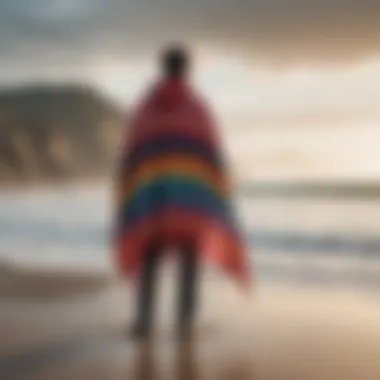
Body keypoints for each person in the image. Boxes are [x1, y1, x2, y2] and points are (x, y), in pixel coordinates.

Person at [114, 44, 250, 340]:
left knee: (149, 260)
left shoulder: (144, 109)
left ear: (163, 67)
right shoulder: (198, 109)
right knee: (190, 261)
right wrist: (219, 191)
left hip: (153, 203)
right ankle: (185, 325)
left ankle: (143, 323)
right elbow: (211, 157)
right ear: (187, 69)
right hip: (189, 206)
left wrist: (129, 194)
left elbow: (132, 158)